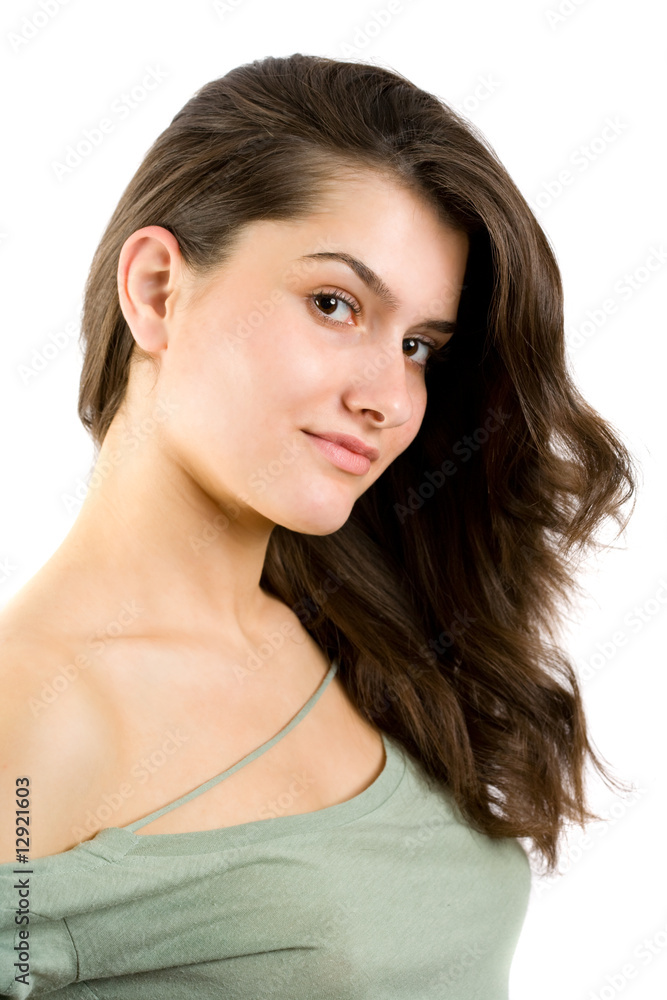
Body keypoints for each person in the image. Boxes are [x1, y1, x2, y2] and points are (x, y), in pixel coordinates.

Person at [0, 53, 638, 998]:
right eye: (334, 305)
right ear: (158, 289)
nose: (390, 397)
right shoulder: (34, 711)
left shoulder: (365, 632)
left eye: (417, 346)